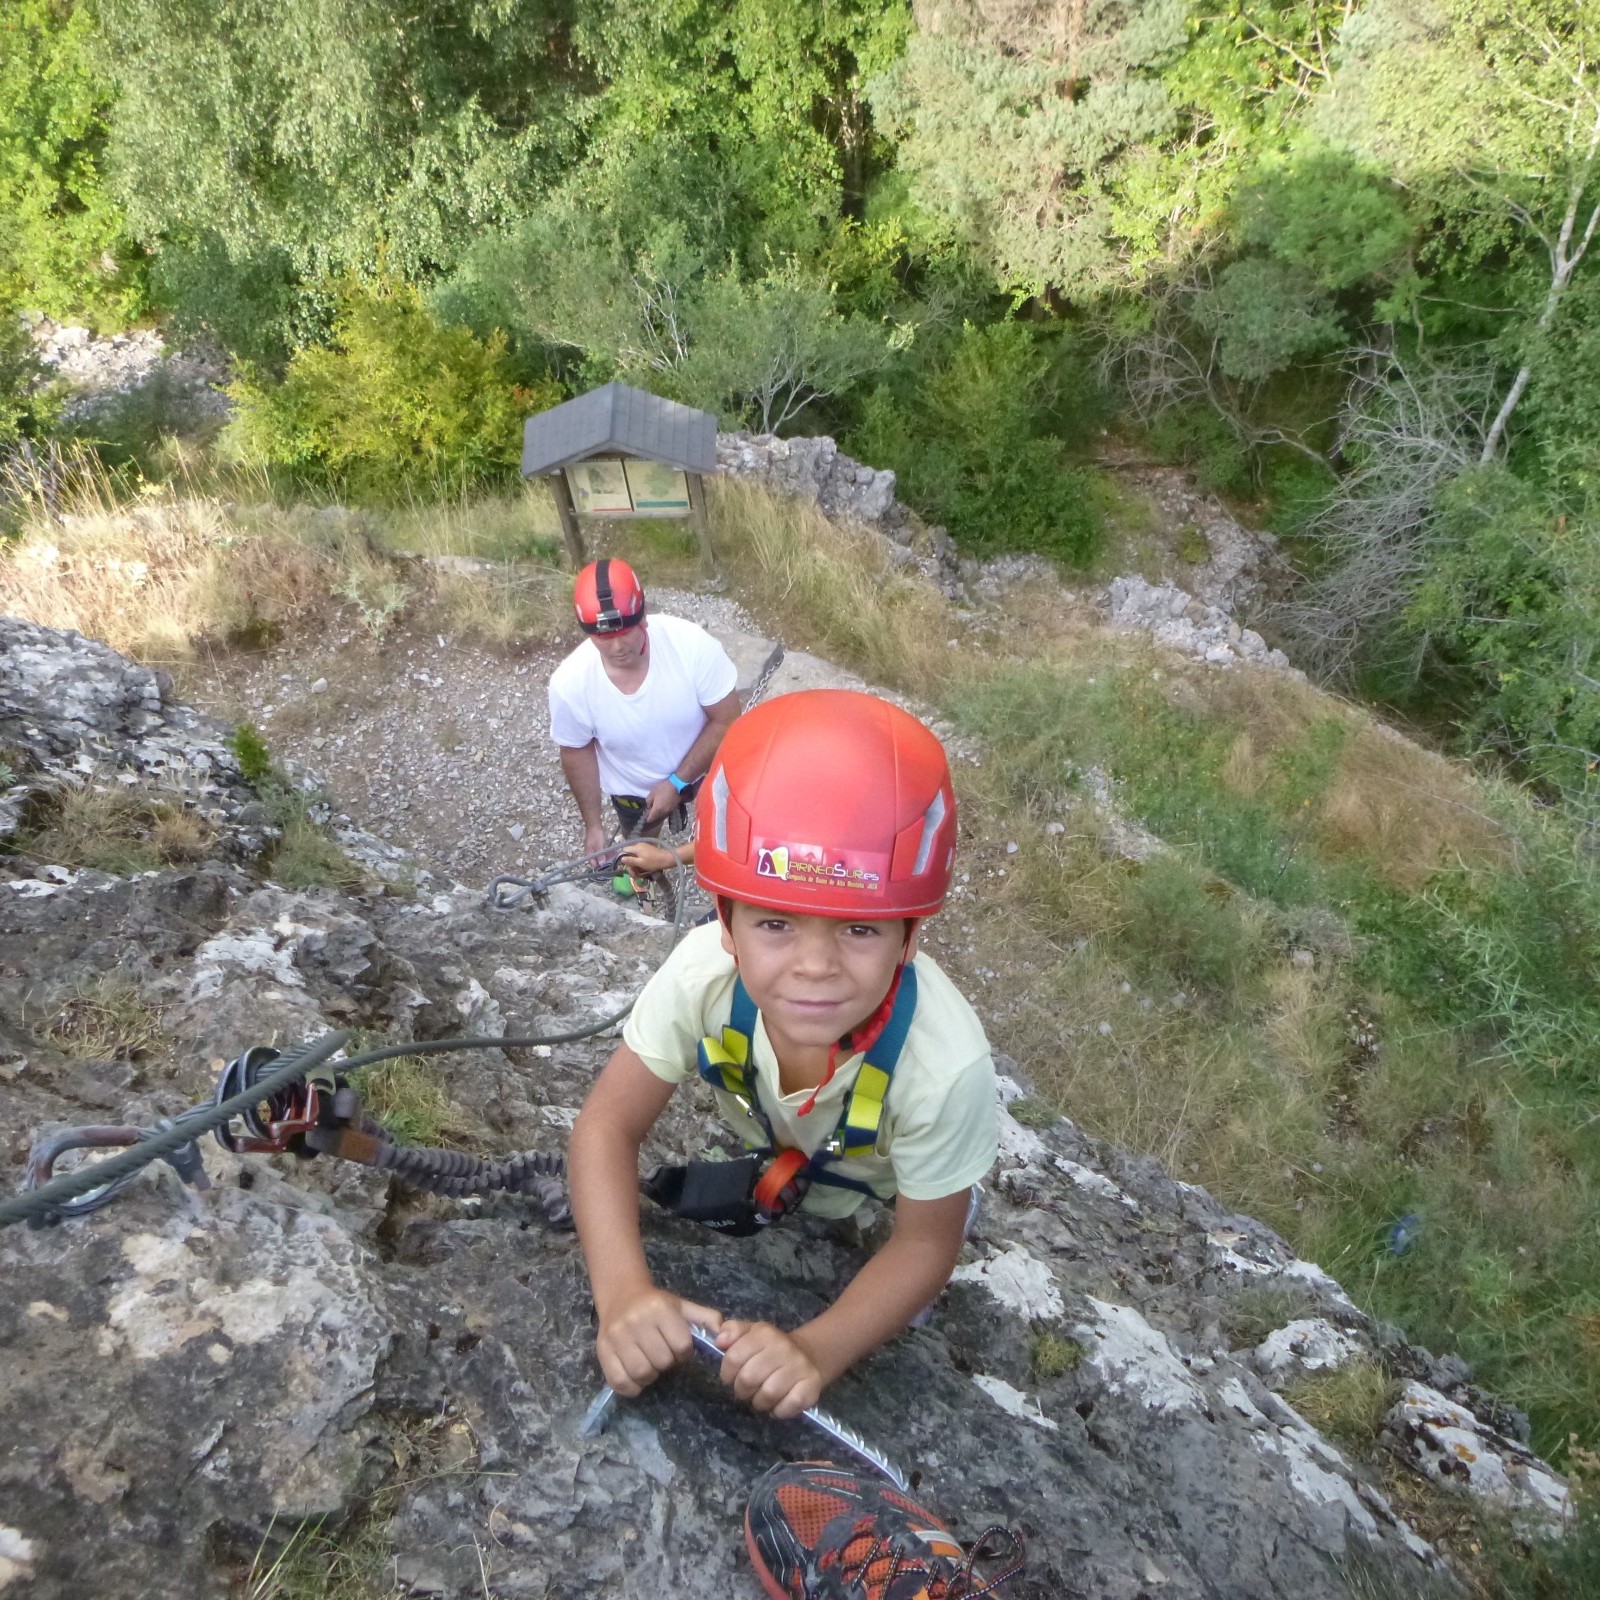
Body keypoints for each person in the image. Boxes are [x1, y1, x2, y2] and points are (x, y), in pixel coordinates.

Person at [568, 689, 999, 1421]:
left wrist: (821, 1349)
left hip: (886, 1198)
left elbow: (926, 1244)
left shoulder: (943, 1068)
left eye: (859, 931)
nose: (815, 967)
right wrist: (623, 1294)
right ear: (726, 927)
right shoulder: (701, 977)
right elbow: (605, 1128)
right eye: (775, 924)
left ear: (910, 940)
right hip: (794, 1152)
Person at [548, 558, 741, 854]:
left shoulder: (691, 646)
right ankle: (647, 884)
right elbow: (576, 750)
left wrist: (677, 782)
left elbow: (726, 720)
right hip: (632, 792)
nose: (617, 647)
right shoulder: (570, 684)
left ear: (644, 616)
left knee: (723, 842)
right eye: (604, 637)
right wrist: (594, 825)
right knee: (639, 849)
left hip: (707, 773)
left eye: (625, 632)